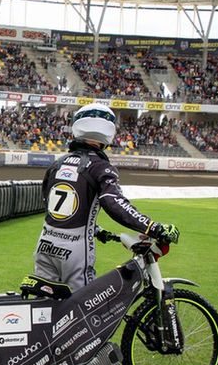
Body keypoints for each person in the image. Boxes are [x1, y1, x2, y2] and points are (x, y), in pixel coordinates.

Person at [33, 103, 180, 291]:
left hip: (45, 244)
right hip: (75, 250)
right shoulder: (100, 166)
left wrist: (94, 228)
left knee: (46, 307)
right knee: (83, 309)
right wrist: (153, 227)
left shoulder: (58, 164)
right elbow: (114, 202)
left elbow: (50, 204)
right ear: (108, 130)